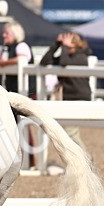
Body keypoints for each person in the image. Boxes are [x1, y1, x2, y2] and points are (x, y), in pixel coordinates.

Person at [39, 31, 91, 171]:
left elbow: (64, 63)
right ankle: (84, 161)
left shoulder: (81, 57)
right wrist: (56, 45)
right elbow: (44, 62)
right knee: (71, 132)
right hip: (69, 99)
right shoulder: (68, 55)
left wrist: (64, 48)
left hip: (79, 98)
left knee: (70, 132)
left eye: (68, 45)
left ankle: (85, 161)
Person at [0, 20, 33, 95]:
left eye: (6, 33)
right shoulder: (5, 48)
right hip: (10, 90)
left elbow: (20, 59)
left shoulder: (22, 45)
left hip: (25, 91)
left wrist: (4, 63)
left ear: (15, 34)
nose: (3, 35)